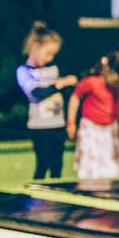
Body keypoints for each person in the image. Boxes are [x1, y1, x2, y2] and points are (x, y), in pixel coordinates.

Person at [16, 25, 76, 179]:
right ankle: (37, 198)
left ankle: (57, 199)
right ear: (35, 47)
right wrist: (60, 83)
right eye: (48, 53)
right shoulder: (24, 71)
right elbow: (36, 94)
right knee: (43, 164)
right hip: (40, 126)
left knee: (57, 165)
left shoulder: (54, 68)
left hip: (57, 124)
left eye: (53, 54)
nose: (50, 58)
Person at [68, 50, 119, 180]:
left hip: (109, 126)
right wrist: (71, 122)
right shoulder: (92, 81)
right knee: (91, 162)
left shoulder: (118, 84)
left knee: (109, 161)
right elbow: (75, 97)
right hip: (91, 126)